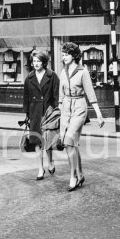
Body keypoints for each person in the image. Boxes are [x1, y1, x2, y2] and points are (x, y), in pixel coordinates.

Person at [59, 42, 105, 192]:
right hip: (66, 107)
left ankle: (72, 177)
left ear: (74, 55)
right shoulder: (62, 72)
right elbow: (60, 96)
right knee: (69, 144)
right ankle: (80, 174)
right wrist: (60, 112)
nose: (63, 57)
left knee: (70, 138)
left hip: (79, 106)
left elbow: (90, 94)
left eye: (66, 54)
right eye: (63, 54)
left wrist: (99, 115)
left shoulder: (83, 71)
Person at [23, 50, 60, 180]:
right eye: (34, 61)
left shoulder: (52, 76)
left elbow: (56, 95)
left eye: (38, 61)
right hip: (34, 112)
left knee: (48, 139)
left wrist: (56, 111)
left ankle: (50, 161)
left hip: (48, 112)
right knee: (37, 141)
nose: (36, 63)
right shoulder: (29, 78)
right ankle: (40, 168)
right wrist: (27, 114)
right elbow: (26, 97)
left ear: (44, 62)